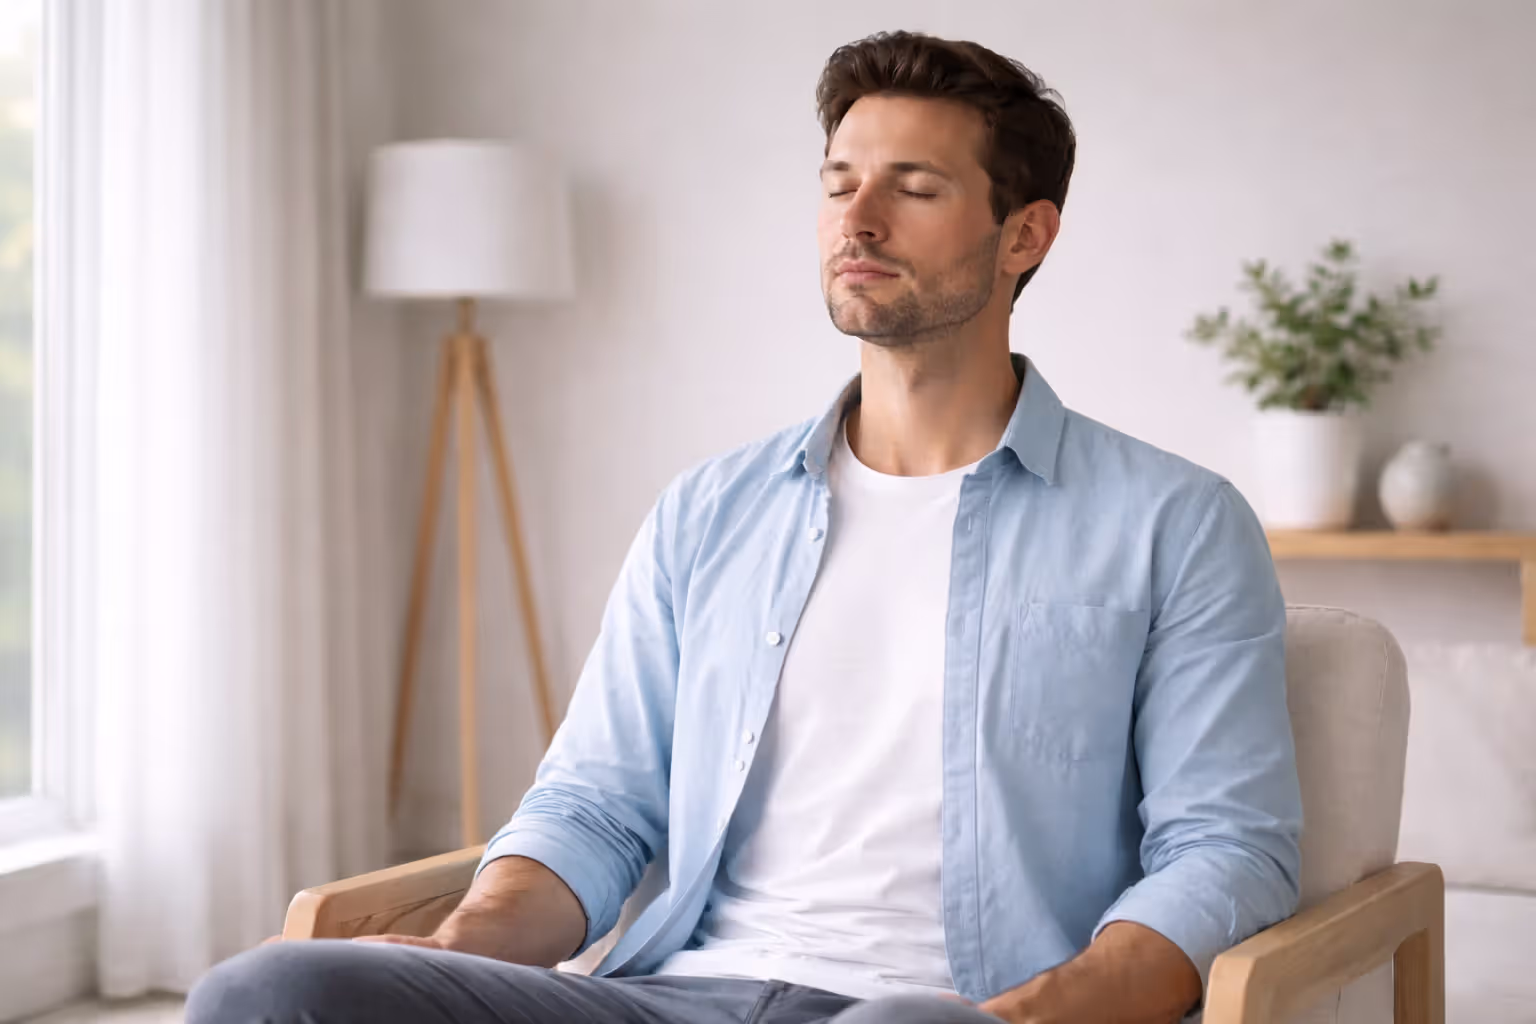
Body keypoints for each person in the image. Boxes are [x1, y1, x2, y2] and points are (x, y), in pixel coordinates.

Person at [188, 29, 1301, 1024]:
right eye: (838, 183)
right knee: (267, 991)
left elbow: (1226, 847)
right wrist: (461, 952)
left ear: (1024, 236)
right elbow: (597, 803)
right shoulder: (711, 510)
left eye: (912, 187)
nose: (856, 221)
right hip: (675, 990)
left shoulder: (1174, 522)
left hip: (945, 1007)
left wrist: (1031, 1015)